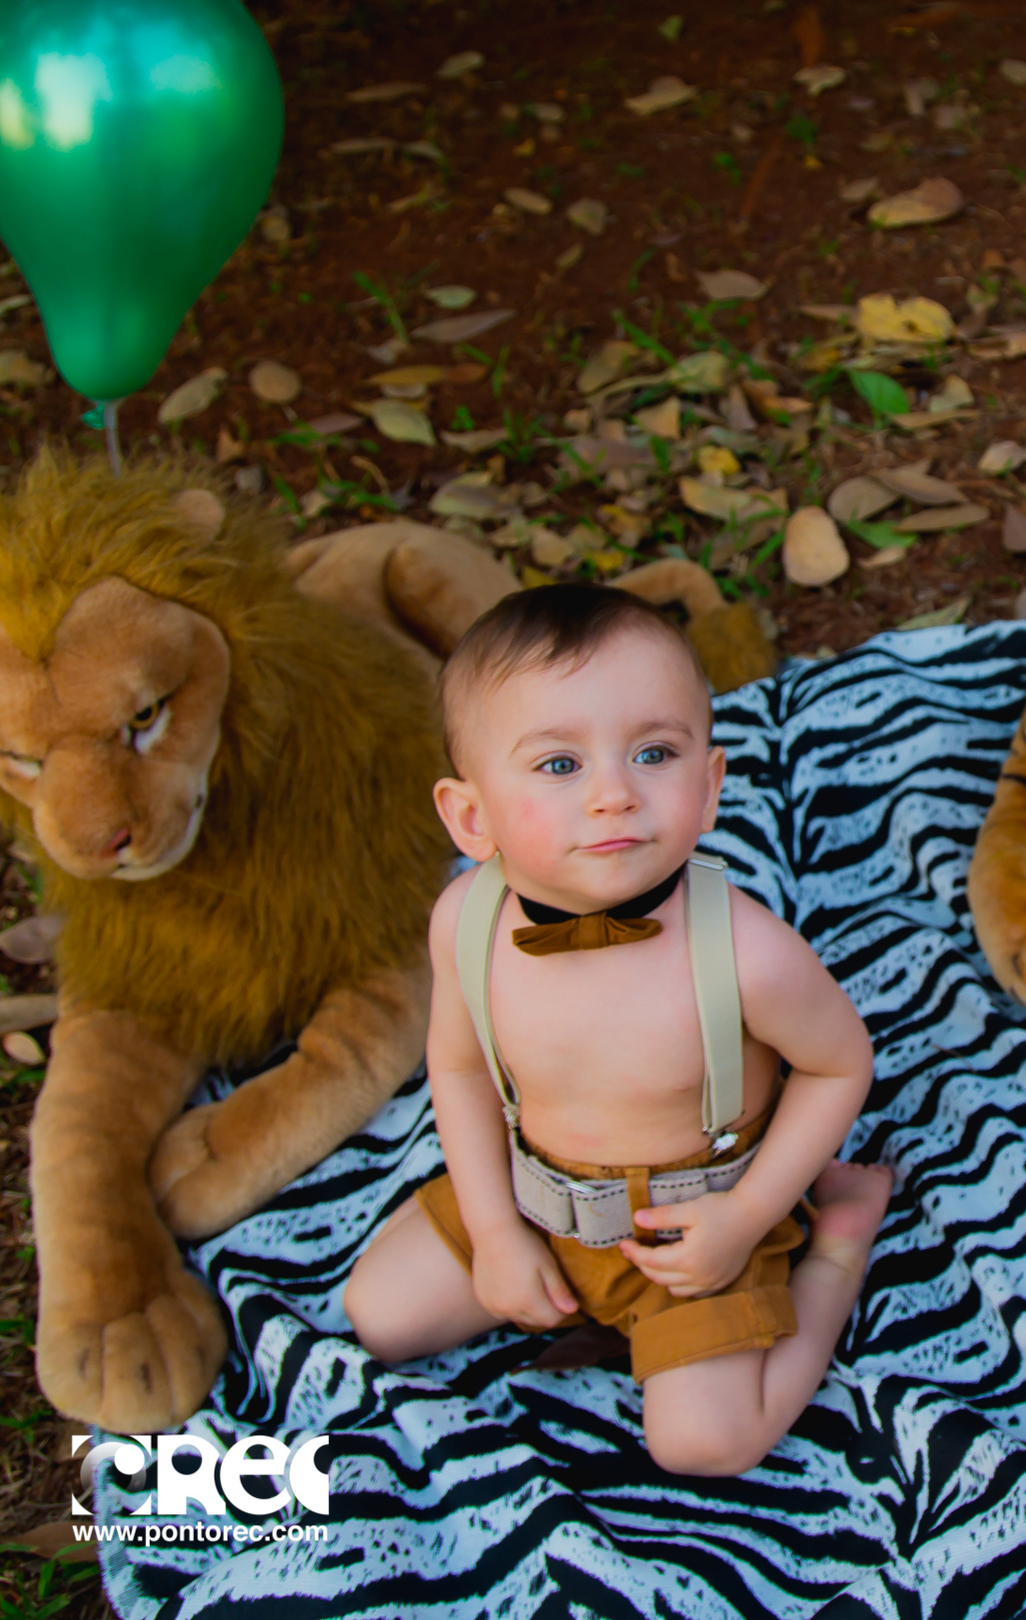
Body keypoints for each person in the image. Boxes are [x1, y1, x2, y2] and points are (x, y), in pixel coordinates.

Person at [345, 584, 890, 1477]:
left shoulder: (743, 951)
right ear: (471, 817)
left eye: (653, 753)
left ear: (708, 787)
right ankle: (529, 1264)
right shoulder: (467, 923)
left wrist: (746, 1216)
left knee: (704, 1443)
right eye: (560, 764)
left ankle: (838, 1248)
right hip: (535, 1198)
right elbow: (462, 1069)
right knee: (379, 1315)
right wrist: (495, 1232)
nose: (614, 795)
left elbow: (839, 1065)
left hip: (697, 1226)